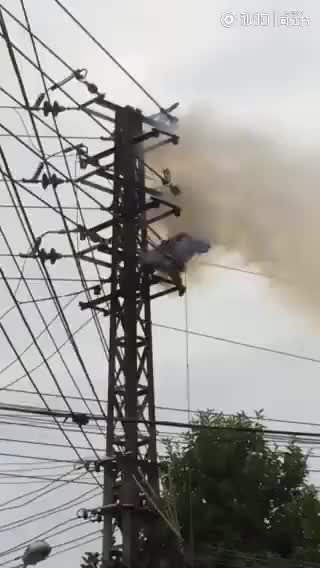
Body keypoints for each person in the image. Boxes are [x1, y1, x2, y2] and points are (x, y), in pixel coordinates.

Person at [140, 232, 210, 297]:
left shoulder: (163, 263)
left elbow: (173, 272)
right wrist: (180, 287)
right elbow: (173, 272)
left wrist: (180, 287)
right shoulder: (165, 263)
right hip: (171, 251)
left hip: (171, 251)